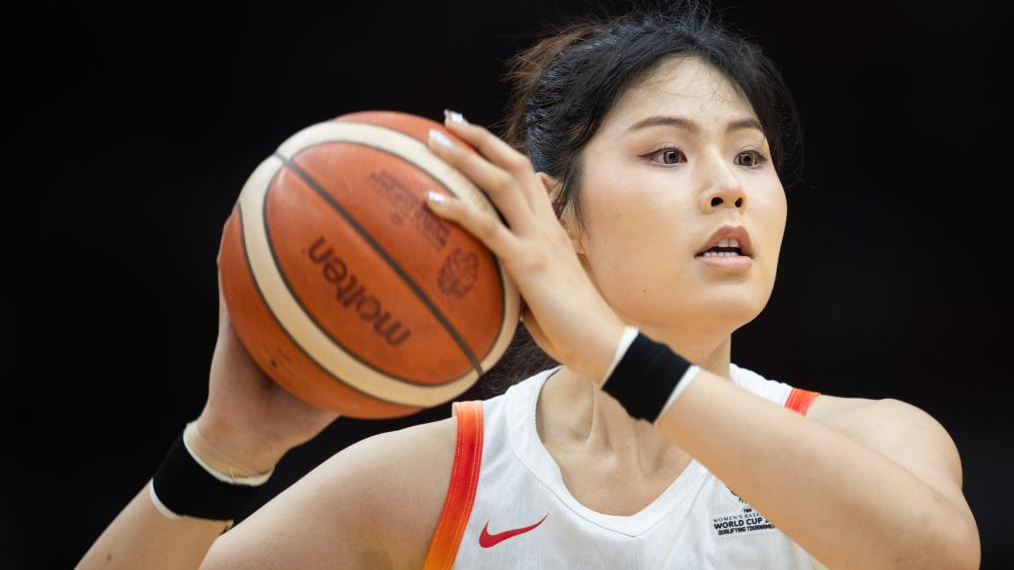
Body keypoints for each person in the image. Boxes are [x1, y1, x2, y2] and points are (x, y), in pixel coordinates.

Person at [76, 2, 981, 569]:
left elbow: (934, 557)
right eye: (668, 153)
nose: (727, 185)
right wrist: (221, 451)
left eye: (750, 155)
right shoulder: (442, 479)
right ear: (554, 213)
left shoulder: (874, 438)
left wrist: (617, 354)